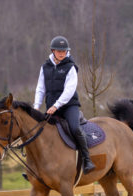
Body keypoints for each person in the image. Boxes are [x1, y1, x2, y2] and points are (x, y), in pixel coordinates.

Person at [34, 35, 95, 174]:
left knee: (74, 128)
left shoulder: (71, 67)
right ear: (53, 51)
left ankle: (87, 160)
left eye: (64, 51)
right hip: (51, 107)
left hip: (69, 106)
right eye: (59, 51)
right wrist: (36, 106)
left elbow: (69, 90)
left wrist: (57, 105)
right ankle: (36, 167)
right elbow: (40, 88)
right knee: (38, 131)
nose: (62, 53)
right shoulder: (45, 67)